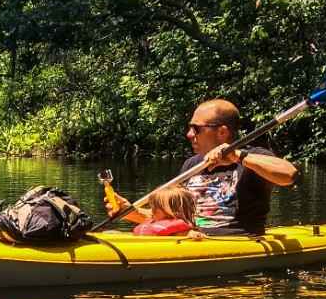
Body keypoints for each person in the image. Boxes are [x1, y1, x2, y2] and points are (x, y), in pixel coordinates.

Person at [107, 99, 298, 236]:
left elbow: (289, 175)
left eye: (196, 128)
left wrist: (238, 156)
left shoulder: (252, 157)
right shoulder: (192, 164)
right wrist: (132, 212)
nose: (189, 134)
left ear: (222, 132)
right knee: (114, 234)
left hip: (234, 241)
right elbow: (172, 218)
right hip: (190, 238)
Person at [132, 186, 206, 239]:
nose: (152, 210)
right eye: (152, 206)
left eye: (157, 207)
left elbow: (187, 233)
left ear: (174, 211)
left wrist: (193, 234)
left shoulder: (178, 229)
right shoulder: (152, 222)